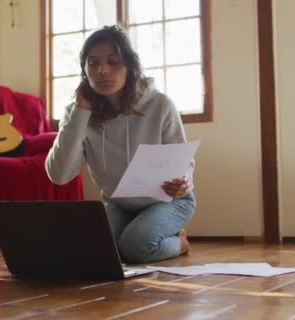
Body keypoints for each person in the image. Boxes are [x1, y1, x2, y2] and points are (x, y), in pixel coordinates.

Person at [45, 25, 196, 264]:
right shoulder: (78, 114)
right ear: (84, 71)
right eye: (93, 64)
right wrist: (81, 112)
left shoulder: (160, 105)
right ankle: (143, 235)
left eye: (113, 61)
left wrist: (184, 183)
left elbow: (183, 162)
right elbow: (59, 174)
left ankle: (179, 242)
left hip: (169, 201)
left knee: (133, 247)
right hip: (119, 204)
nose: (102, 71)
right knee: (94, 250)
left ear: (130, 66)